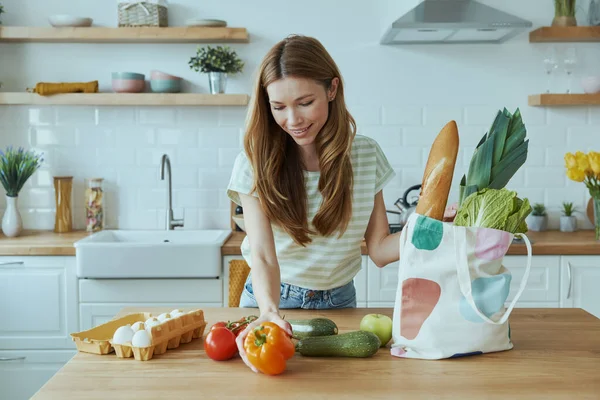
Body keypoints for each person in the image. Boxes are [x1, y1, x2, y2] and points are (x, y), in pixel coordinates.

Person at [226, 34, 454, 373]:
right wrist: (269, 311)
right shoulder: (254, 161)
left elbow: (379, 249)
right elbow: (262, 255)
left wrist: (426, 226)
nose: (293, 120)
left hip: (339, 302)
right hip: (271, 299)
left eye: (305, 102)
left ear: (332, 89)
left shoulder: (364, 154)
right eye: (279, 107)